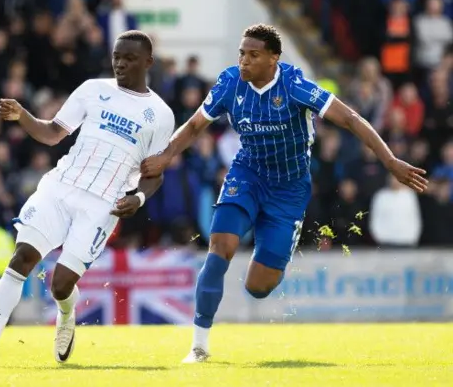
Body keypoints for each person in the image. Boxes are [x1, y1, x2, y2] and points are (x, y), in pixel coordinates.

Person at [140, 24, 428, 363]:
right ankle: (199, 346)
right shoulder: (230, 83)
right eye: (241, 53)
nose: (244, 61)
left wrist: (390, 160)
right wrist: (165, 156)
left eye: (253, 55)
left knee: (258, 287)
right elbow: (194, 126)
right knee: (220, 247)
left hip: (289, 189)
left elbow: (349, 118)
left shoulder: (294, 86)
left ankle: (276, 246)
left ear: (273, 58)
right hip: (247, 175)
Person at [0, 30, 175, 367]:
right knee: (22, 259)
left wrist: (140, 199)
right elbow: (52, 132)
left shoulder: (160, 115)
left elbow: (154, 173)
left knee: (60, 285)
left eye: (129, 58)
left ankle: (66, 312)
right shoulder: (93, 90)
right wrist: (23, 116)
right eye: (116, 55)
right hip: (60, 186)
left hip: (103, 204)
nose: (119, 63)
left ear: (148, 61)